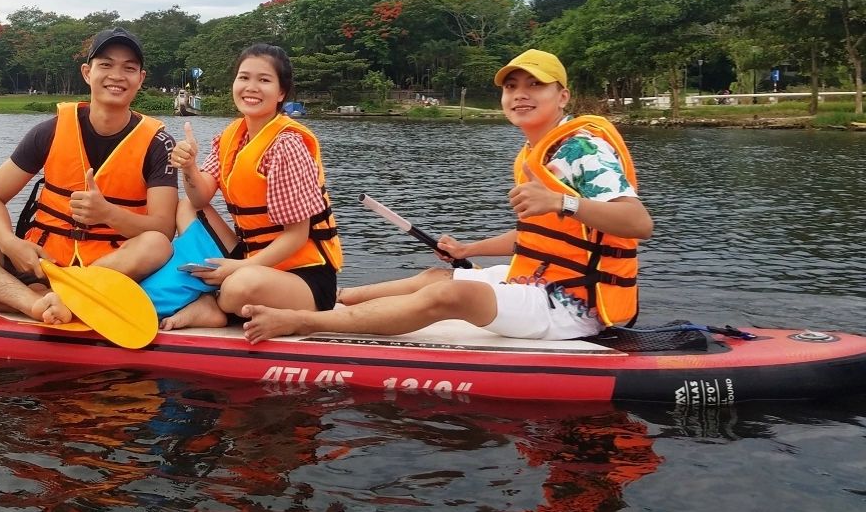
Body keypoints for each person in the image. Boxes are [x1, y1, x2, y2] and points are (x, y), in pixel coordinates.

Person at [243, 48, 652, 343]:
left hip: (574, 304)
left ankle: (302, 322)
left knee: (451, 293)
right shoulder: (537, 151)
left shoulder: (582, 148)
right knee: (438, 275)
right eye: (512, 86)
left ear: (562, 96)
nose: (520, 94)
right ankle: (342, 300)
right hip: (542, 276)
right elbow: (540, 237)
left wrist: (560, 201)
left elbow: (638, 223)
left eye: (535, 86)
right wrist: (468, 246)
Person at [0, 27, 177, 323]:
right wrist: (10, 244)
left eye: (129, 68)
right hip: (41, 260)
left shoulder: (159, 143)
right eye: (105, 65)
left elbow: (163, 229)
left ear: (140, 79)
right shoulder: (51, 130)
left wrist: (108, 213)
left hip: (107, 266)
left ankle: (50, 296)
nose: (117, 76)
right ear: (87, 72)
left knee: (157, 245)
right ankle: (32, 303)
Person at [160, 43, 342, 330]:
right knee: (186, 207)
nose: (251, 87)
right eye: (244, 77)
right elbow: (199, 197)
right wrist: (190, 168)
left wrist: (241, 268)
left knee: (238, 286)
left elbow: (296, 237)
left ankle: (215, 304)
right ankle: (209, 287)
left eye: (264, 80)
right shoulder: (231, 136)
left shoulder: (287, 145)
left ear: (281, 93)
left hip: (303, 276)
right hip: (251, 256)